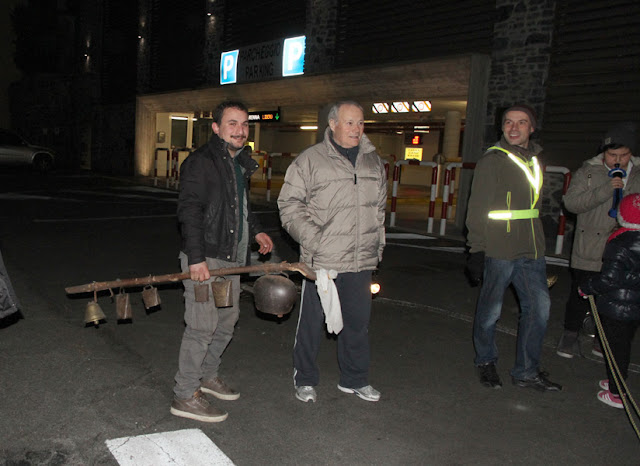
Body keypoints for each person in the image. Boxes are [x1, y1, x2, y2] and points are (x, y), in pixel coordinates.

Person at [171, 101, 274, 422]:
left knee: (227, 321)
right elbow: (189, 210)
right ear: (216, 128)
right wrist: (196, 259)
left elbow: (240, 207)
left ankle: (207, 375)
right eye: (232, 123)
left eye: (244, 124)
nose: (240, 130)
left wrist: (257, 231)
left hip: (232, 259)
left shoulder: (239, 162)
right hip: (207, 258)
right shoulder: (201, 162)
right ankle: (185, 393)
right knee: (202, 326)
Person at [278, 101, 387, 403]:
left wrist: (377, 246)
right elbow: (289, 205)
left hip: (360, 259)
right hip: (323, 260)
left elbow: (379, 209)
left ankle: (355, 379)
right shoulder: (310, 160)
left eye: (361, 123)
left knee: (357, 323)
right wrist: (316, 241)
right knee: (312, 324)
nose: (356, 129)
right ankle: (305, 378)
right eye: (349, 122)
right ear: (333, 124)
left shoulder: (373, 161)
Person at [465, 104, 562, 392]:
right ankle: (485, 360)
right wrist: (476, 249)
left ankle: (526, 371)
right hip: (499, 247)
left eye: (521, 122)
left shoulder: (534, 160)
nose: (514, 127)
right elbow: (477, 207)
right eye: (508, 122)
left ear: (532, 127)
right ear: (502, 127)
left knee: (539, 309)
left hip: (531, 248)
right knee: (490, 311)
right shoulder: (492, 160)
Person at [557, 123, 639, 358]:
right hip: (590, 244)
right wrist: (604, 190)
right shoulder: (588, 172)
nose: (618, 160)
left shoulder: (637, 173)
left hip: (625, 247)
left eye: (624, 155)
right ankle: (570, 334)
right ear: (603, 152)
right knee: (582, 292)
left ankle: (602, 339)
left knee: (613, 296)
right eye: (612, 155)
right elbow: (572, 203)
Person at [580, 193, 640, 409]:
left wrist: (587, 287)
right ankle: (617, 379)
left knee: (616, 349)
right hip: (635, 306)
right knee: (623, 344)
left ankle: (617, 392)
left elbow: (609, 279)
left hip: (618, 307)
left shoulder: (620, 243)